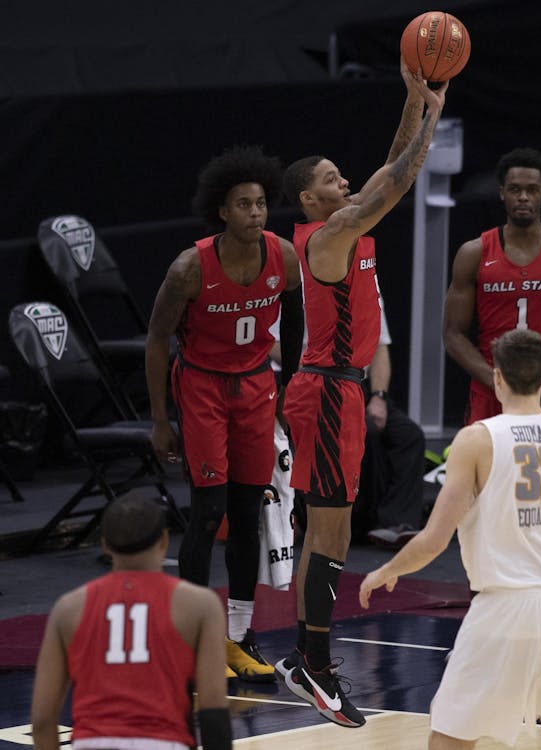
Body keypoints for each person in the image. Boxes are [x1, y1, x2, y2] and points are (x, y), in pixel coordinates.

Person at [272, 59, 447, 728]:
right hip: (325, 393)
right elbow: (396, 182)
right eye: (330, 178)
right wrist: (431, 122)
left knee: (331, 532)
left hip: (335, 392)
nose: (343, 181)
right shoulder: (328, 236)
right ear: (309, 198)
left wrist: (413, 101)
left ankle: (305, 657)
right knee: (329, 533)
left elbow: (386, 171)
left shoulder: (343, 221)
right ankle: (313, 665)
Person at [359, 329, 541, 749]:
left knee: (448, 738)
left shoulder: (477, 440)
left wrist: (388, 570)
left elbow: (435, 538)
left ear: (496, 377)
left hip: (505, 606)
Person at [145, 144, 304, 682]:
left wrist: (291, 386)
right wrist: (160, 419)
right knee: (208, 512)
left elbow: (296, 323)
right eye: (243, 205)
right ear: (222, 211)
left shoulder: (283, 256)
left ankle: (237, 635)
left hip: (256, 386)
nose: (255, 213)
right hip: (203, 387)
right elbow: (157, 339)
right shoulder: (190, 267)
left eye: (260, 203)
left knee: (248, 513)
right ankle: (192, 637)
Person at [30, 493, 232, 750]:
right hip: (163, 741)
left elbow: (42, 720)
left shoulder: (68, 608)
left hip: (92, 743)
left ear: (105, 544)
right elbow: (213, 709)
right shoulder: (199, 604)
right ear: (164, 540)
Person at [443, 147, 541, 424]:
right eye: (515, 189)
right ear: (502, 193)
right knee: (484, 454)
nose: (523, 197)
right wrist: (495, 381)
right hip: (491, 391)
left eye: (532, 190)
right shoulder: (475, 253)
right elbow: (453, 333)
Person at [356, 303, 428, 550]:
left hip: (360, 386)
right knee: (366, 432)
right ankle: (362, 522)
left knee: (410, 436)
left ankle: (396, 523)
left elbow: (379, 345)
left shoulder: (370, 286)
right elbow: (274, 343)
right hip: (316, 382)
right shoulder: (302, 285)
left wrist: (378, 397)